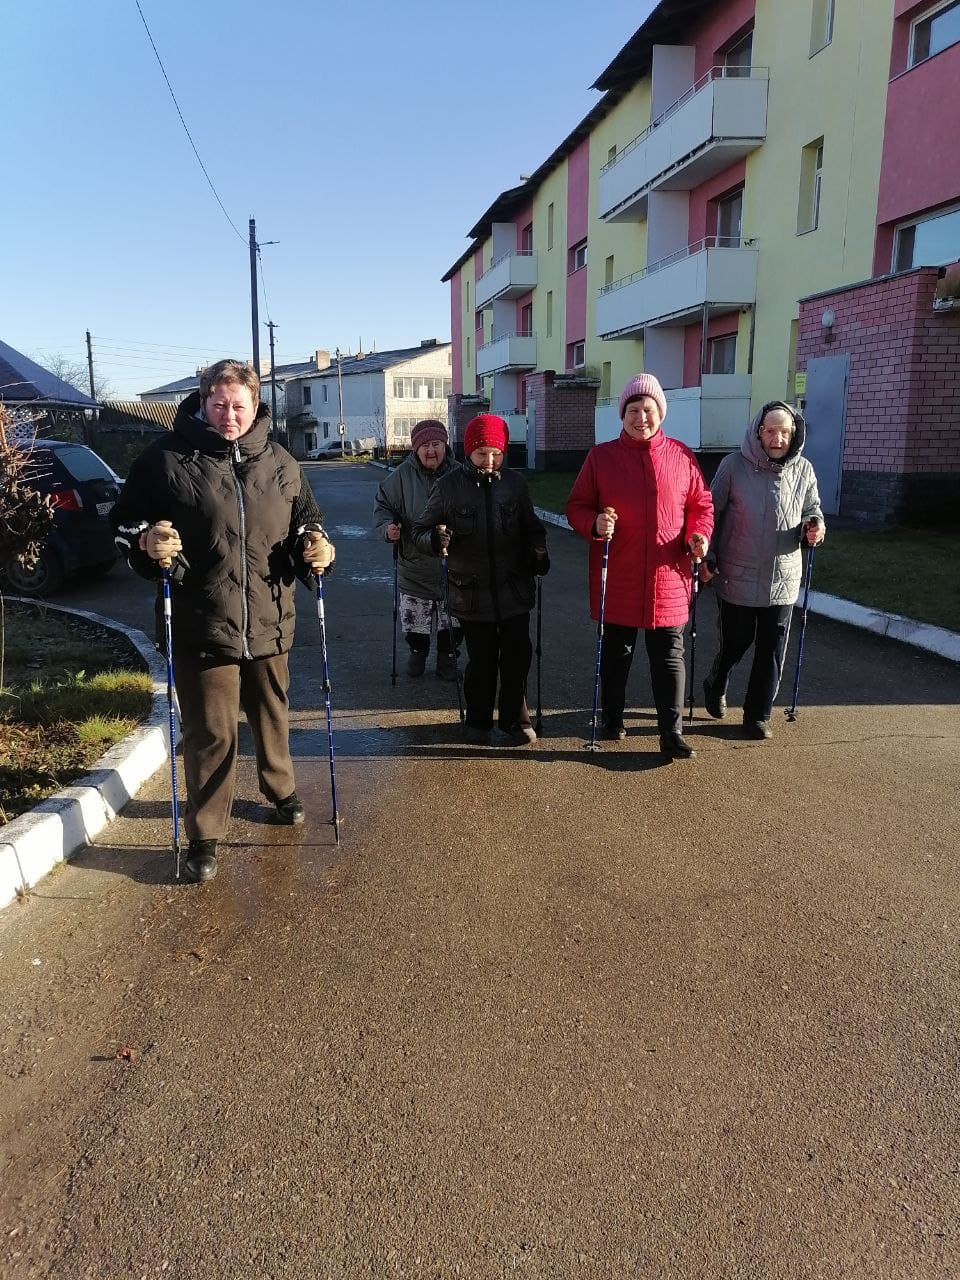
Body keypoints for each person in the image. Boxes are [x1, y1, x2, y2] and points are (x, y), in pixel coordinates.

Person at [110, 358, 336, 884]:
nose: (229, 415)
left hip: (270, 619)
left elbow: (308, 522)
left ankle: (280, 789)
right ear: (203, 402)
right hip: (201, 619)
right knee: (211, 730)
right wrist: (145, 540)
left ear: (256, 406)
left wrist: (317, 548)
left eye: (239, 405)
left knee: (272, 714)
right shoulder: (165, 460)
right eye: (219, 404)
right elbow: (123, 522)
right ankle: (206, 831)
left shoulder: (281, 462)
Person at [566, 373, 713, 759]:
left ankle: (671, 731)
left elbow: (701, 505)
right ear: (623, 414)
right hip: (619, 575)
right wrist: (595, 523)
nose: (641, 417)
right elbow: (576, 506)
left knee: (669, 655)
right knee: (617, 653)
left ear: (660, 413)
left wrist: (698, 535)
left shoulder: (681, 456)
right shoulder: (601, 457)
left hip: (669, 576)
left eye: (648, 409)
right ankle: (613, 718)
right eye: (633, 410)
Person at [413, 413, 548, 745]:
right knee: (482, 660)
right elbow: (419, 531)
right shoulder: (448, 487)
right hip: (471, 593)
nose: (489, 461)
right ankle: (478, 720)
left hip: (514, 588)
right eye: (481, 453)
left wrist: (538, 552)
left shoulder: (515, 484)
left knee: (517, 658)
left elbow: (532, 527)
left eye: (496, 454)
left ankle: (515, 720)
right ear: (469, 452)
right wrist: (435, 540)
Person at [701, 400, 825, 740]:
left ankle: (757, 715)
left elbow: (813, 509)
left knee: (771, 648)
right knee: (736, 642)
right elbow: (711, 514)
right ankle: (716, 681)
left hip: (783, 576)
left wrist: (814, 526)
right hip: (737, 574)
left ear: (794, 434)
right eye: (771, 431)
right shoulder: (732, 466)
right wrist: (707, 554)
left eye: (784, 432)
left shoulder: (804, 470)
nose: (777, 439)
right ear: (759, 432)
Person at [373, 419, 460, 680]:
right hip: (414, 566)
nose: (431, 451)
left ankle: (447, 658)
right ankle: (417, 652)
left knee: (452, 620)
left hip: (454, 566)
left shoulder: (460, 474)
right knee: (415, 621)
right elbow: (382, 507)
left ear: (445, 445)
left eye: (436, 444)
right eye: (425, 446)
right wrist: (388, 529)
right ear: (416, 449)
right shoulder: (400, 477)